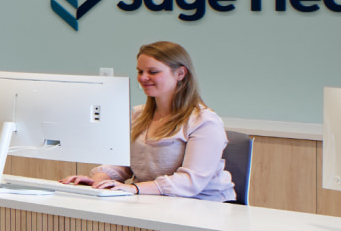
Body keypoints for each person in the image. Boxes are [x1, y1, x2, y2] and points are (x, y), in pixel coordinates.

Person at [63, 41, 235, 199]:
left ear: (180, 73)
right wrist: (99, 180)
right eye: (140, 71)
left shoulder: (204, 122)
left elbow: (190, 182)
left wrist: (135, 188)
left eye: (153, 72)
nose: (143, 78)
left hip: (202, 205)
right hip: (151, 201)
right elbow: (123, 164)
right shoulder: (138, 114)